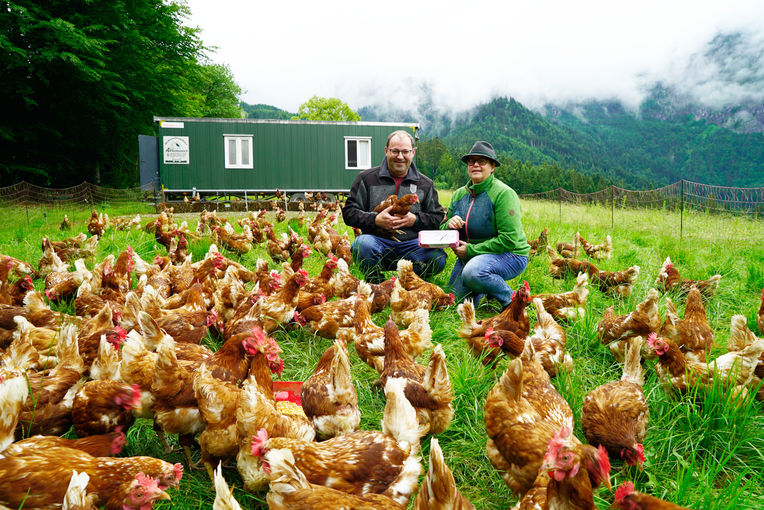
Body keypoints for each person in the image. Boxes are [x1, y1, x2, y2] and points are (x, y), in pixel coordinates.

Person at [342, 130, 447, 283]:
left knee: (437, 257)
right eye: (395, 151)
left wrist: (414, 220)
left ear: (412, 153)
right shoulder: (366, 178)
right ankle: (377, 285)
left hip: (413, 246)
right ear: (386, 151)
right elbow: (349, 213)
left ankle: (407, 283)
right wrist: (375, 219)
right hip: (378, 242)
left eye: (405, 151)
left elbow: (437, 218)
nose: (400, 156)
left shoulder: (425, 184)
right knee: (362, 245)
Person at [442, 141, 530, 308]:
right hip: (471, 257)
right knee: (453, 304)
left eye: (482, 161)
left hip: (510, 255)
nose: (475, 165)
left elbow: (509, 240)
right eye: (471, 161)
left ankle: (513, 302)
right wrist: (448, 225)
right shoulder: (459, 195)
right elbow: (441, 229)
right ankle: (485, 286)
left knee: (473, 272)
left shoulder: (504, 194)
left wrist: (470, 250)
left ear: (492, 167)